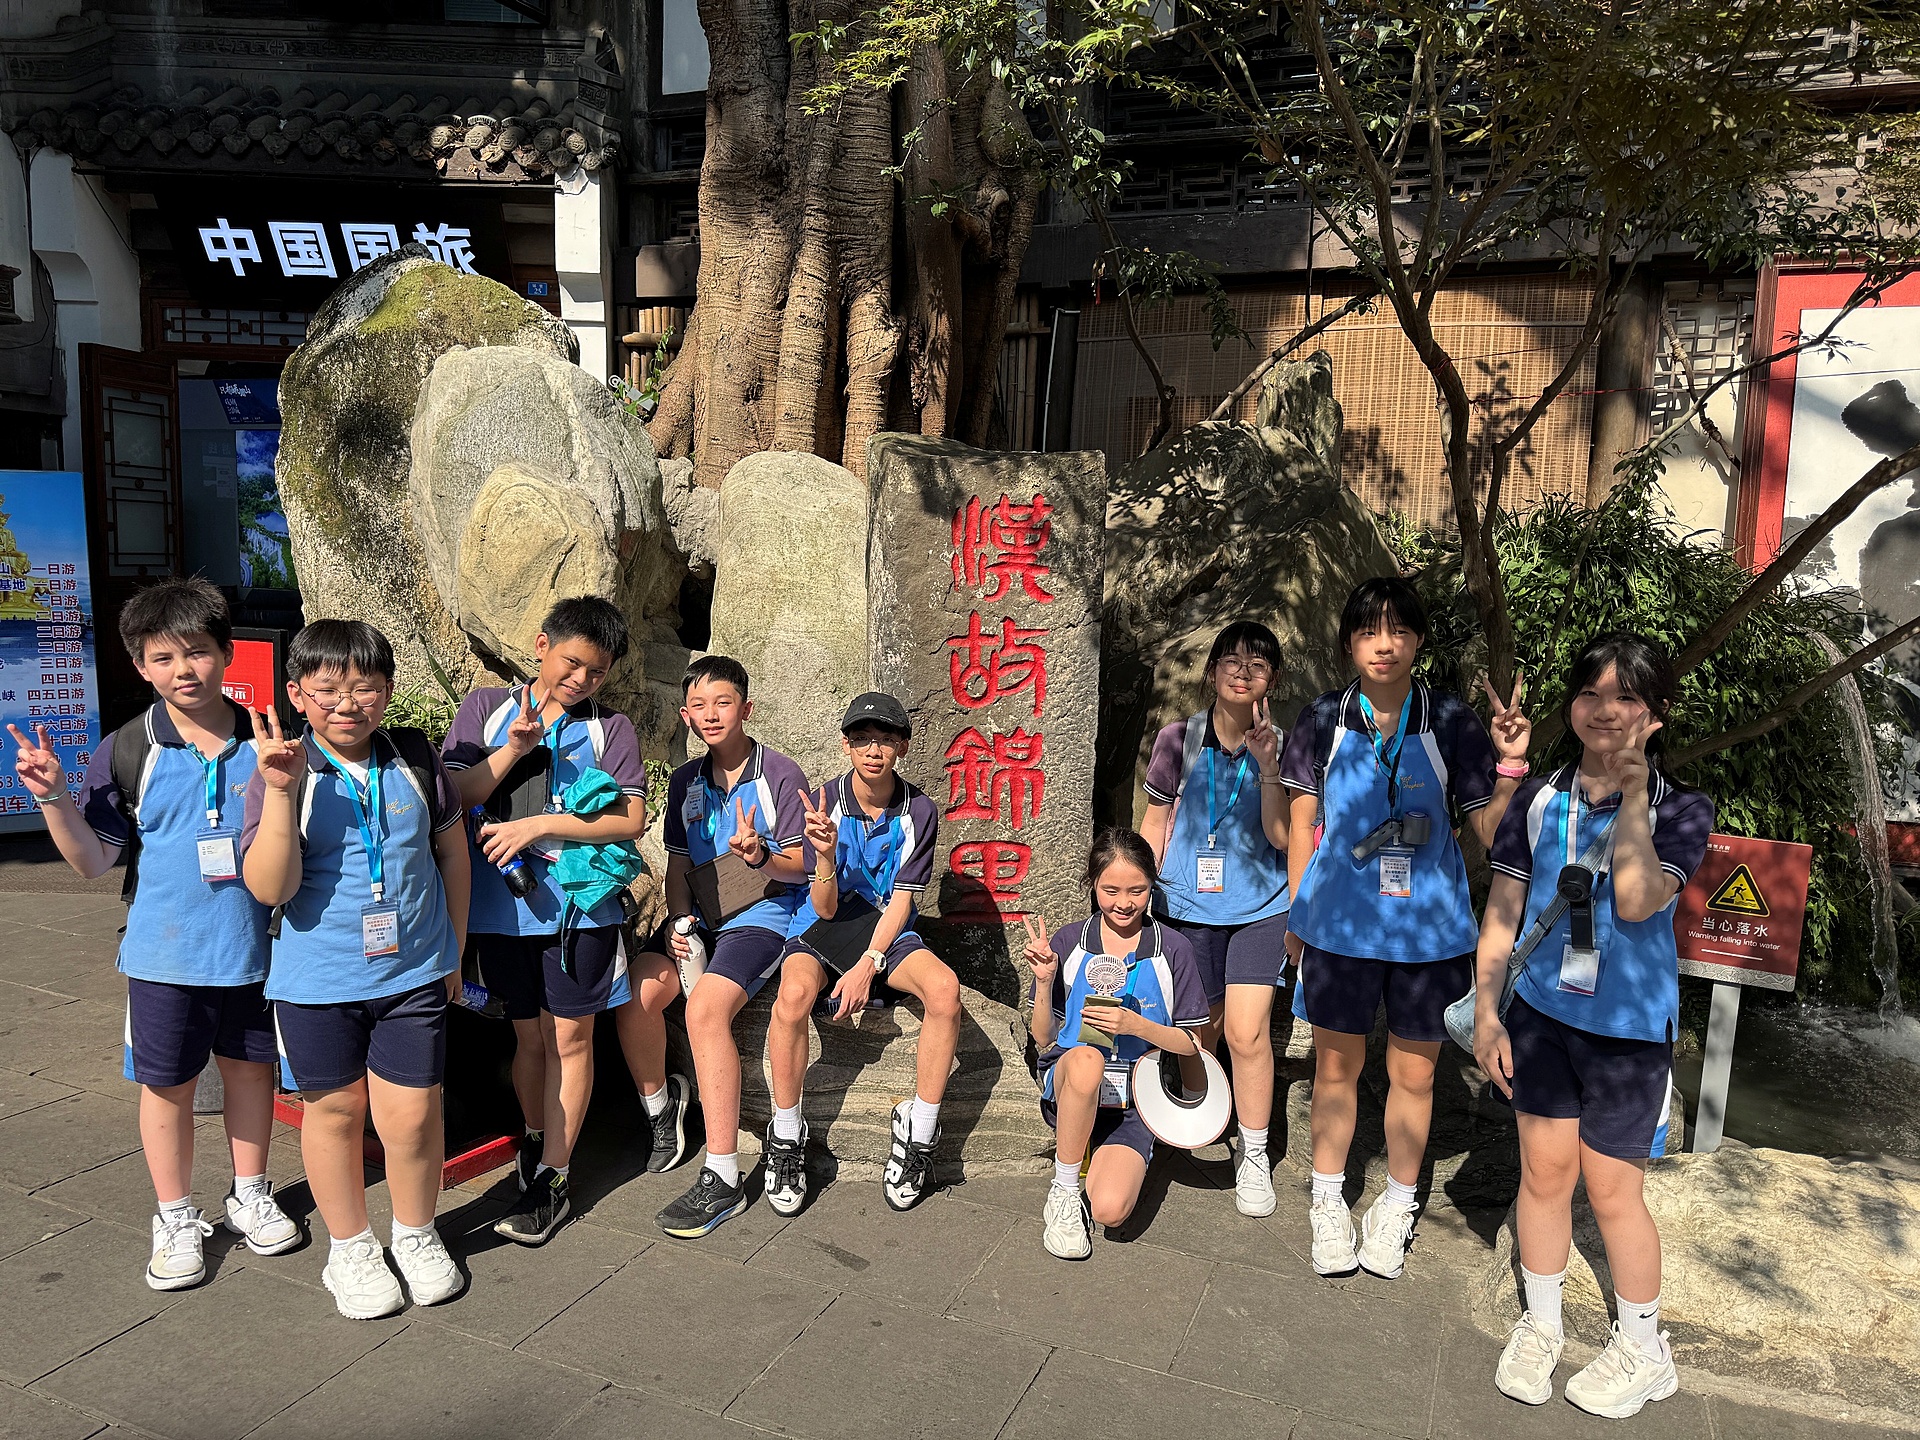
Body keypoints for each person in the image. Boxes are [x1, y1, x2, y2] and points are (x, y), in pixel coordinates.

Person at [9, 577, 300, 1290]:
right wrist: (52, 797)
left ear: (227, 653)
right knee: (166, 1087)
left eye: (197, 651)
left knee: (251, 1074)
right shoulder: (126, 750)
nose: (184, 670)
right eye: (163, 658)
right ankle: (173, 1214)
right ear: (141, 666)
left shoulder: (270, 738)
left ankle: (250, 1193)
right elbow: (92, 861)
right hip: (163, 956)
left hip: (257, 950)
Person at [1476, 634, 1712, 1419]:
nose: (1605, 710)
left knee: (1613, 1193)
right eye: (1590, 694)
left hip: (1628, 1033)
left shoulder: (1682, 808)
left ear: (1657, 713)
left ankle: (1645, 1350)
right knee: (1543, 1176)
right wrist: (1488, 1014)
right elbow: (1502, 911)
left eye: (1627, 697)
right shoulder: (1542, 798)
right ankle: (1540, 1325)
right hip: (1541, 1018)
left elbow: (1639, 901)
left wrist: (1635, 794)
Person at [1280, 577, 1531, 1279]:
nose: (1383, 644)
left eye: (1398, 630)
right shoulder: (1323, 718)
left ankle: (1396, 1204)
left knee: (1413, 1077)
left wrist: (1510, 765)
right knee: (1335, 1069)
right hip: (1339, 933)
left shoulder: (1449, 720)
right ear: (1348, 643)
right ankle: (1327, 1198)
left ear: (1419, 640)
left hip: (1430, 936)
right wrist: (1299, 918)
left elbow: (1491, 832)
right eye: (1368, 631)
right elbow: (1301, 827)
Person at [242, 620, 471, 1320]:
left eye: (365, 688)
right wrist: (278, 791)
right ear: (296, 694)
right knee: (335, 1113)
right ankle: (350, 1247)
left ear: (388, 691)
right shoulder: (284, 768)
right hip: (317, 980)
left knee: (413, 1113)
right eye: (328, 689)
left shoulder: (413, 757)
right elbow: (270, 888)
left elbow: (452, 854)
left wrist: (454, 948)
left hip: (413, 973)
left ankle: (417, 1233)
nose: (348, 704)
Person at [441, 597, 677, 1246]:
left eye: (596, 672)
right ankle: (540, 1135)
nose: (581, 680)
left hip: (581, 913)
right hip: (501, 912)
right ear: (542, 645)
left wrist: (539, 826)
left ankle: (554, 1176)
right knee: (529, 1040)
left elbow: (630, 818)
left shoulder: (610, 728)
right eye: (572, 663)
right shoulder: (485, 709)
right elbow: (453, 795)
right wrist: (513, 750)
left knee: (570, 1040)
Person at [762, 693, 959, 1217]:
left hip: (884, 927)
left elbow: (902, 902)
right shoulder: (822, 801)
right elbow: (824, 909)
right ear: (846, 745)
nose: (874, 750)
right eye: (862, 739)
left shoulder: (919, 810)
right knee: (793, 996)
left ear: (903, 747)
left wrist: (866, 966)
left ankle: (920, 1129)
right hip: (826, 921)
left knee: (945, 991)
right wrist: (824, 854)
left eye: (886, 739)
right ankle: (786, 1134)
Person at [651, 657, 812, 1238]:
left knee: (704, 1010)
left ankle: (722, 1174)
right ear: (685, 716)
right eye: (699, 705)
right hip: (702, 918)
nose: (711, 714)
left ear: (747, 708)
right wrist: (678, 920)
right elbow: (677, 864)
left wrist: (761, 855)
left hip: (762, 917)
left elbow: (804, 866)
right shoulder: (684, 782)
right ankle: (660, 1113)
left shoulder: (781, 775)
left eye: (723, 702)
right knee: (639, 989)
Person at [1138, 620, 1291, 1217]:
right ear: (1211, 672)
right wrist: (1138, 896)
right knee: (1197, 1031)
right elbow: (1154, 823)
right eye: (1232, 659)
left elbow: (1283, 836)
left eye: (1258, 663)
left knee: (1247, 1034)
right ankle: (1193, 1122)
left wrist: (1270, 767)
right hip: (1186, 906)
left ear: (1272, 679)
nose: (1243, 671)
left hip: (1261, 910)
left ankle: (1254, 1152)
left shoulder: (1285, 746)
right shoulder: (1178, 739)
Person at [1022, 829, 1209, 1260]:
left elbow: (1190, 1044)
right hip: (1072, 1080)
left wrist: (1136, 1025)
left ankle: (1101, 1152)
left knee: (1110, 1210)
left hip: (1137, 1095)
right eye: (1110, 891)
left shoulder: (1172, 949)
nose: (1123, 903)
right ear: (1093, 885)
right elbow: (1044, 1038)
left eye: (1137, 891)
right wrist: (1045, 981)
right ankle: (1064, 1190)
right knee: (1087, 1059)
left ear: (1152, 885)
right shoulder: (1069, 941)